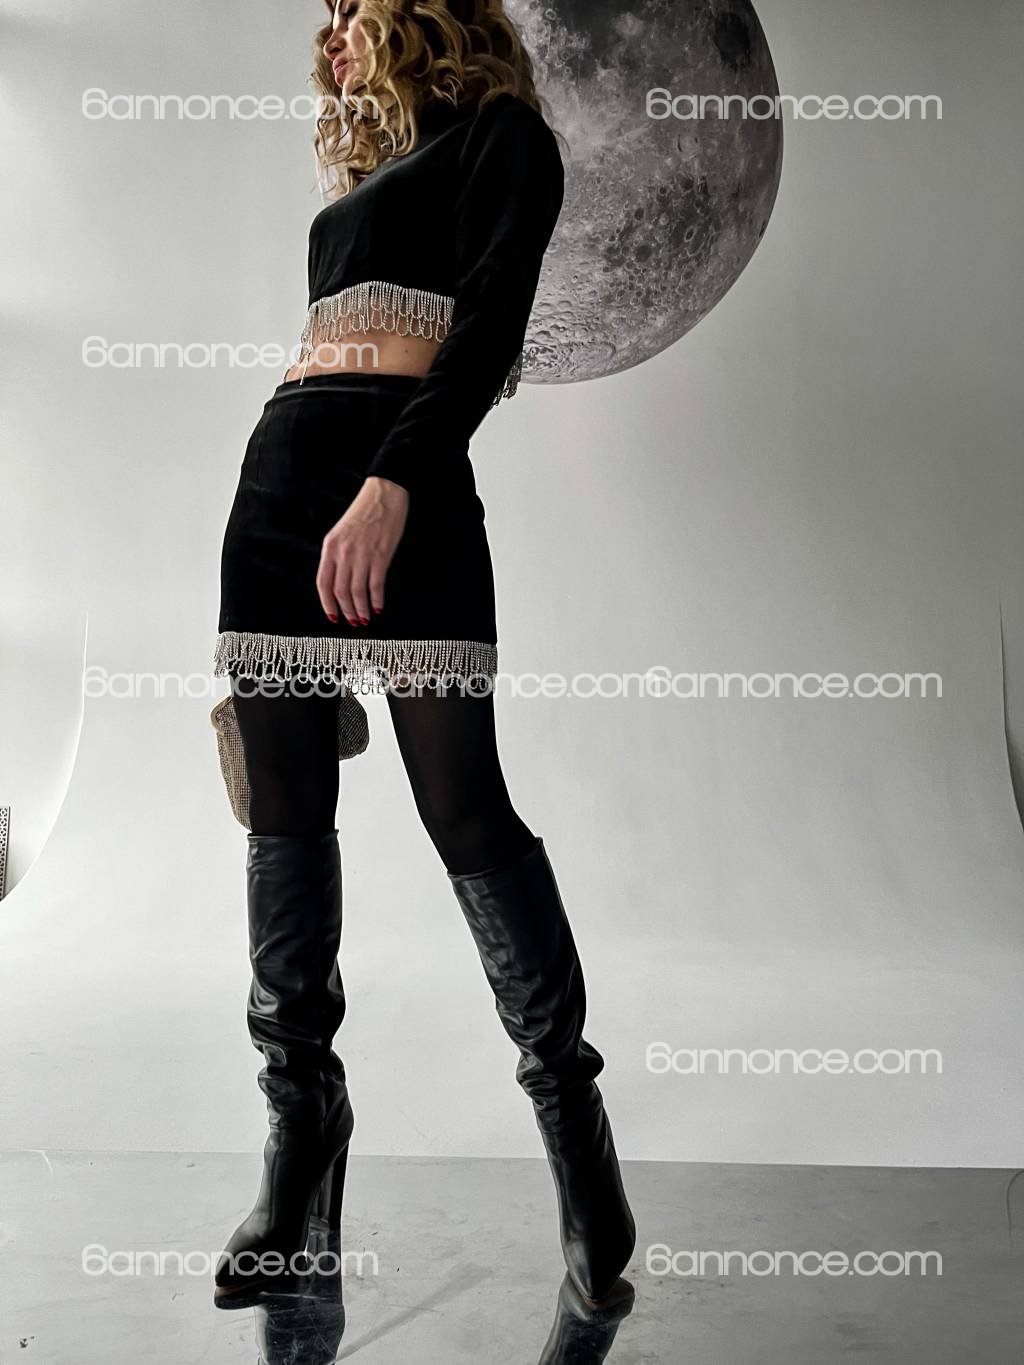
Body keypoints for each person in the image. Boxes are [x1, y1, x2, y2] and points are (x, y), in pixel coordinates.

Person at [211, 0, 634, 1311]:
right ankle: (301, 1140)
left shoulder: (506, 138)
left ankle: (574, 1126)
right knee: (284, 818)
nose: (331, 28)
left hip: (409, 487)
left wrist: (394, 481)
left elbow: (488, 327)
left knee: (465, 808)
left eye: (353, 4)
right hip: (282, 490)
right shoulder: (361, 180)